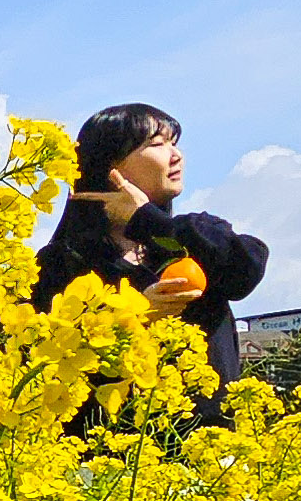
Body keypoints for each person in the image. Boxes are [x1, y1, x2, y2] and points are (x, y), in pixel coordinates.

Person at [33, 103, 268, 430]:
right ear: (112, 167)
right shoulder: (65, 261)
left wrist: (145, 220)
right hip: (105, 459)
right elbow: (44, 363)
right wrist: (135, 317)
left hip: (211, 455)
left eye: (174, 143)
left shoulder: (195, 235)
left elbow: (244, 270)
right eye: (157, 144)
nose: (176, 155)